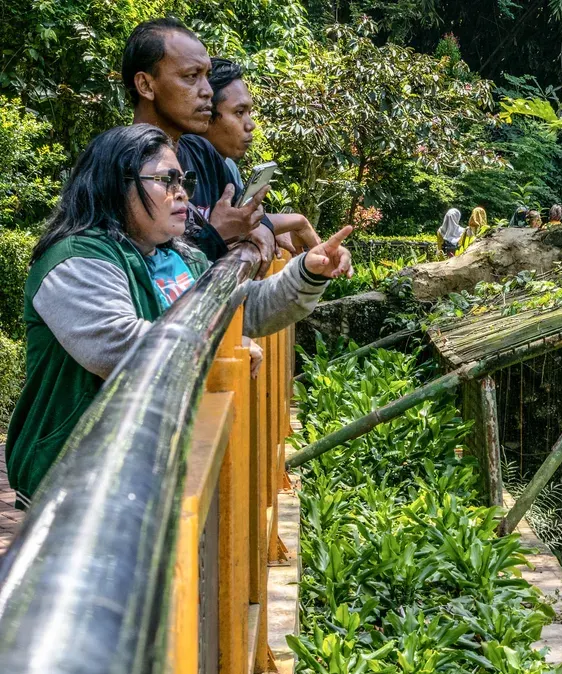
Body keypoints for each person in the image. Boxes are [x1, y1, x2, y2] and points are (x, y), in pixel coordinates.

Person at [4, 124, 353, 508]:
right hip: (74, 477)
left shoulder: (178, 254)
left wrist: (308, 270)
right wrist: (221, 341)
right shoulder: (75, 260)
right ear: (115, 184)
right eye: (166, 180)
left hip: (146, 467)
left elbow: (244, 308)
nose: (182, 192)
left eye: (183, 179)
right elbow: (120, 347)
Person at [122, 18, 274, 264]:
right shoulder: (123, 167)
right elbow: (146, 270)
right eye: (192, 76)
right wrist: (216, 235)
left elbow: (246, 212)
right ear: (146, 85)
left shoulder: (202, 152)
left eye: (207, 76)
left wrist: (262, 226)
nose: (208, 91)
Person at [203, 58, 321, 255]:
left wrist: (270, 227)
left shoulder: (228, 166)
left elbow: (245, 220)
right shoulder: (178, 168)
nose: (251, 125)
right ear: (205, 111)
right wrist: (296, 221)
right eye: (239, 112)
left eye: (249, 112)